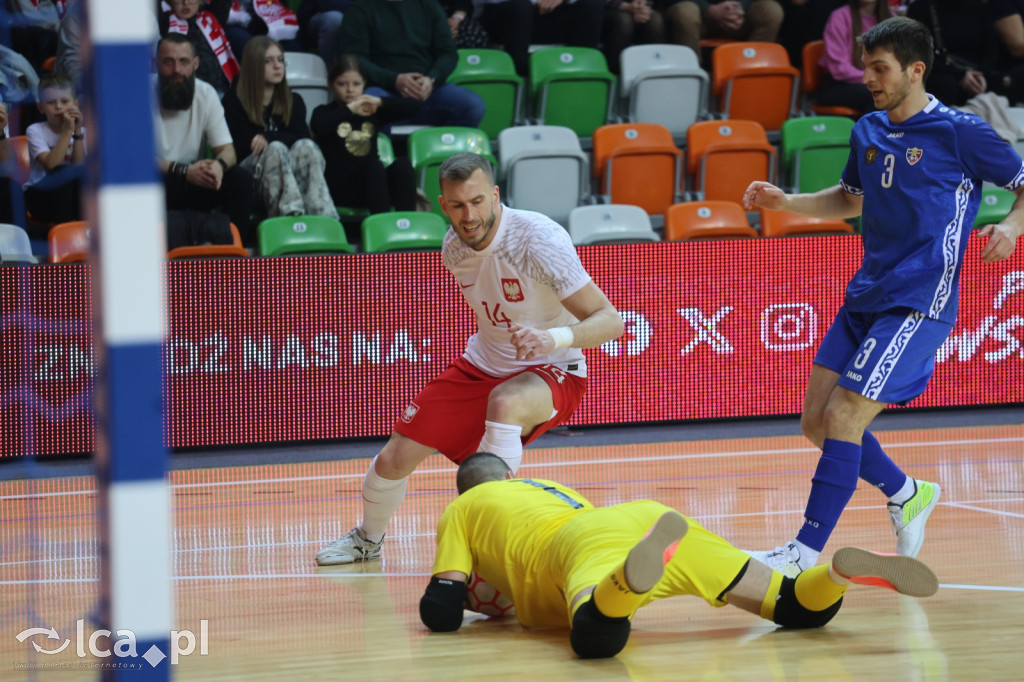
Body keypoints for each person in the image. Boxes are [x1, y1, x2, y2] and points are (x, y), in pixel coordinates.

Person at [742, 16, 1024, 577]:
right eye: (867, 66)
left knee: (845, 415)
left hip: (920, 297)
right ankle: (906, 491)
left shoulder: (959, 130)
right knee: (815, 422)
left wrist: (1014, 227)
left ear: (916, 70)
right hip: (868, 290)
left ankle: (801, 552)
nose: (868, 77)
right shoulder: (868, 128)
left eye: (880, 69)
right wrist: (784, 201)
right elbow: (849, 200)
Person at [315, 152, 626, 565]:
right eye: (458, 205)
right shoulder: (453, 248)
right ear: (442, 205)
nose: (470, 215)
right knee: (394, 457)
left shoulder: (538, 239)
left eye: (478, 201)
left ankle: (497, 547)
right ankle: (367, 540)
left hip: (553, 366)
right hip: (483, 363)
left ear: (496, 195)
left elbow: (611, 321)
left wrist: (550, 338)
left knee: (506, 404)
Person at [418, 453, 940, 659]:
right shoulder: (543, 485)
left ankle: (626, 585)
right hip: (636, 517)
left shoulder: (463, 507)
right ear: (510, 475)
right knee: (794, 609)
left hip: (578, 546)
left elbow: (439, 609)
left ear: (465, 489)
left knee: (596, 638)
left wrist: (469, 600)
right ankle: (836, 573)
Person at [154, 33, 258, 246]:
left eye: (183, 62)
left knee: (240, 180)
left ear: (196, 63)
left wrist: (219, 166)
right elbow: (134, 159)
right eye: (168, 62)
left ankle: (237, 253)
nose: (176, 70)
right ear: (157, 63)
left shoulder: (206, 93)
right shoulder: (138, 92)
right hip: (156, 182)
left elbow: (228, 151)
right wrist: (183, 171)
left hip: (193, 179)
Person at [222, 36, 338, 219]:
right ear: (253, 65)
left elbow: (302, 136)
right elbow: (236, 148)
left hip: (288, 177)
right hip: (248, 183)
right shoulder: (233, 101)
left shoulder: (294, 101)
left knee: (306, 147)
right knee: (275, 150)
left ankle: (323, 217)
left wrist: (269, 137)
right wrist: (272, 141)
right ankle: (289, 218)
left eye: (280, 60)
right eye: (268, 61)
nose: (277, 66)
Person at [310, 55, 418, 242]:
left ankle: (406, 228)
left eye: (356, 84)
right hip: (341, 189)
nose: (350, 90)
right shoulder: (324, 112)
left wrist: (380, 103)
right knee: (374, 166)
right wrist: (351, 109)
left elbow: (415, 107)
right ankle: (383, 233)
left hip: (375, 188)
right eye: (342, 84)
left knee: (402, 164)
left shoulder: (370, 113)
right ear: (330, 85)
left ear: (364, 85)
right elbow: (318, 126)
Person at [335, 0, 485, 128]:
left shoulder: (428, 5)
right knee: (366, 106)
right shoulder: (361, 8)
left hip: (427, 91)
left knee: (473, 105)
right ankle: (381, 159)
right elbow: (353, 58)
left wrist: (431, 79)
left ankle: (441, 155)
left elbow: (448, 52)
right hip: (383, 91)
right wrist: (395, 80)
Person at [476, 0, 605, 78]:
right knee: (521, 7)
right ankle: (522, 77)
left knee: (592, 6)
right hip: (504, 13)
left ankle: (581, 72)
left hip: (546, 12)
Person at [23, 74, 86, 230]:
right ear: (40, 107)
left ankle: (82, 232)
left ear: (75, 104)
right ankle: (63, 234)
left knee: (83, 177)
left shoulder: (83, 131)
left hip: (71, 198)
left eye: (65, 101)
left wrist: (77, 132)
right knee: (62, 170)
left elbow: (79, 166)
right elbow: (51, 165)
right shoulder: (35, 130)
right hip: (41, 195)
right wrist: (67, 131)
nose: (59, 107)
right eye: (51, 102)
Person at [818, 0, 892, 116]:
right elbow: (840, 69)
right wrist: (875, 78)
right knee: (879, 94)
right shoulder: (839, 17)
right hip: (839, 84)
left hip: (879, 81)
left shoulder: (892, 20)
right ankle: (866, 133)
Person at [662, 0, 785, 66]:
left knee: (771, 11)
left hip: (739, 14)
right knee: (685, 12)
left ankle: (750, 69)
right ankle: (692, 75)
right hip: (698, 14)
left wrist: (738, 6)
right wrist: (709, 9)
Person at [158, 0, 239, 96]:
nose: (186, 3)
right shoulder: (165, 24)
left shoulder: (212, 16)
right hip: (183, 94)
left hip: (219, 90)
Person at [602, 0, 667, 75]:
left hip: (639, 6)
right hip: (608, 7)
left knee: (655, 21)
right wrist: (624, 6)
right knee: (624, 21)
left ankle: (655, 75)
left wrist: (642, 5)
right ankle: (616, 77)